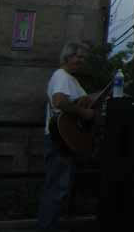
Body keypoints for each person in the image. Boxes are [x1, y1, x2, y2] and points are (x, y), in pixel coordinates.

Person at [38, 42, 96, 231]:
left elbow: (78, 100)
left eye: (83, 58)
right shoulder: (62, 76)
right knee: (56, 190)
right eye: (78, 57)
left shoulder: (71, 79)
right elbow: (59, 101)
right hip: (59, 141)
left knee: (59, 189)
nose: (81, 61)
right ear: (67, 57)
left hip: (65, 140)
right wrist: (83, 112)